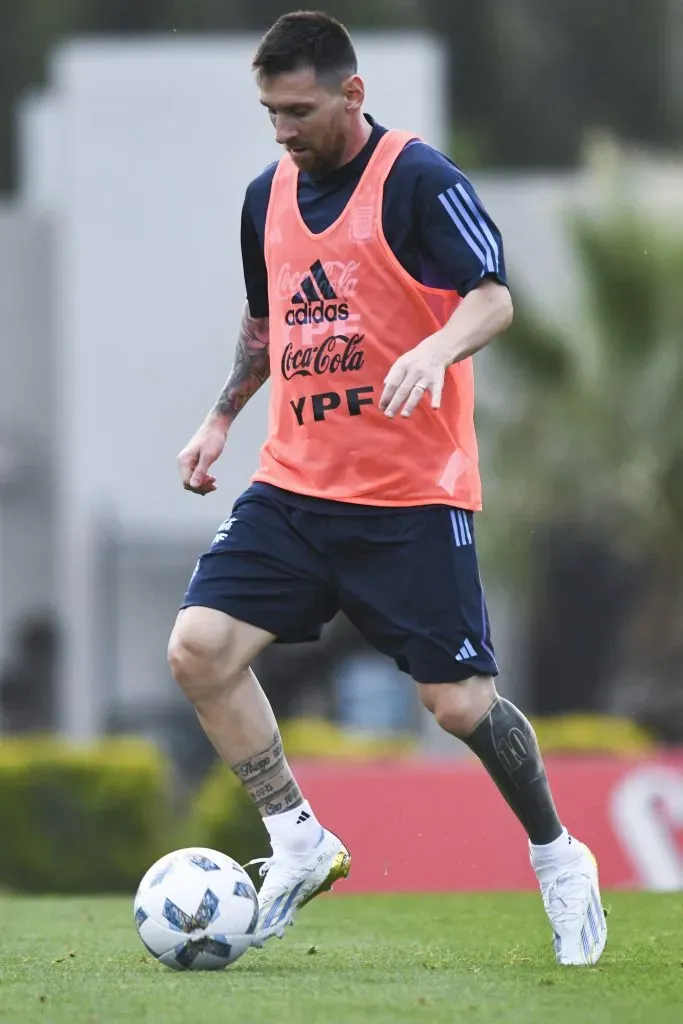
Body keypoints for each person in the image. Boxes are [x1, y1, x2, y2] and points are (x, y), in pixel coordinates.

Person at [168, 10, 606, 966]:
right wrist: (220, 417)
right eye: (269, 112)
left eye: (297, 110)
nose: (282, 130)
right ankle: (297, 841)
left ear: (351, 93)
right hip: (294, 490)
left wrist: (434, 349)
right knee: (198, 651)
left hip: (411, 498)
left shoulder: (416, 179)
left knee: (458, 706)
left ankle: (558, 856)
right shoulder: (264, 197)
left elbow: (492, 296)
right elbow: (267, 324)